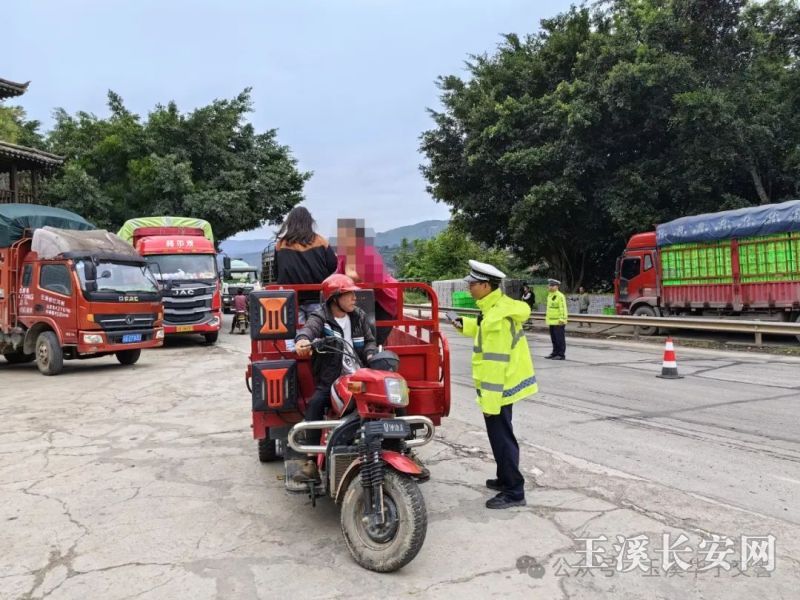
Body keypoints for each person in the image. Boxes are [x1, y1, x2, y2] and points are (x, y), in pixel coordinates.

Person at [452, 260, 538, 509]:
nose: (469, 287)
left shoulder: (496, 317)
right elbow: (481, 330)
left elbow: (495, 362)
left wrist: (490, 403)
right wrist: (464, 324)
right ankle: (504, 478)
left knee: (502, 439)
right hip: (502, 385)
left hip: (499, 388)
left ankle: (514, 491)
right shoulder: (495, 307)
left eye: (473, 284)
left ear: (486, 286)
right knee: (500, 435)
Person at [293, 274, 377, 481]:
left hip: (360, 374)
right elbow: (309, 329)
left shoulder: (358, 315)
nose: (354, 298)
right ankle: (311, 461)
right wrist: (302, 341)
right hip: (332, 378)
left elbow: (369, 341)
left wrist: (371, 355)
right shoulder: (321, 316)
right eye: (349, 294)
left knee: (394, 394)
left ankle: (403, 448)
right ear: (334, 298)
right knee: (315, 404)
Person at [336, 218, 398, 346]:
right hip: (362, 299)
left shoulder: (369, 253)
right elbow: (338, 275)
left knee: (374, 340)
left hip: (383, 300)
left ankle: (375, 353)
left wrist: (352, 275)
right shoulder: (343, 255)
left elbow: (371, 279)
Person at [274, 206, 338, 322]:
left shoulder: (281, 244)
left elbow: (276, 272)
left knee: (295, 331)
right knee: (318, 329)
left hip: (291, 299)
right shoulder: (321, 241)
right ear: (309, 222)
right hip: (317, 297)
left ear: (290, 222)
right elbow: (333, 265)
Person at [545, 279, 568, 360]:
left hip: (559, 321)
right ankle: (555, 353)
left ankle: (561, 354)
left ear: (557, 286)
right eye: (550, 285)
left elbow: (563, 308)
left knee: (559, 339)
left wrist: (562, 319)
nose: (550, 287)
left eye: (552, 285)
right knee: (554, 339)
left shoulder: (560, 296)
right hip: (551, 321)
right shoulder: (549, 295)